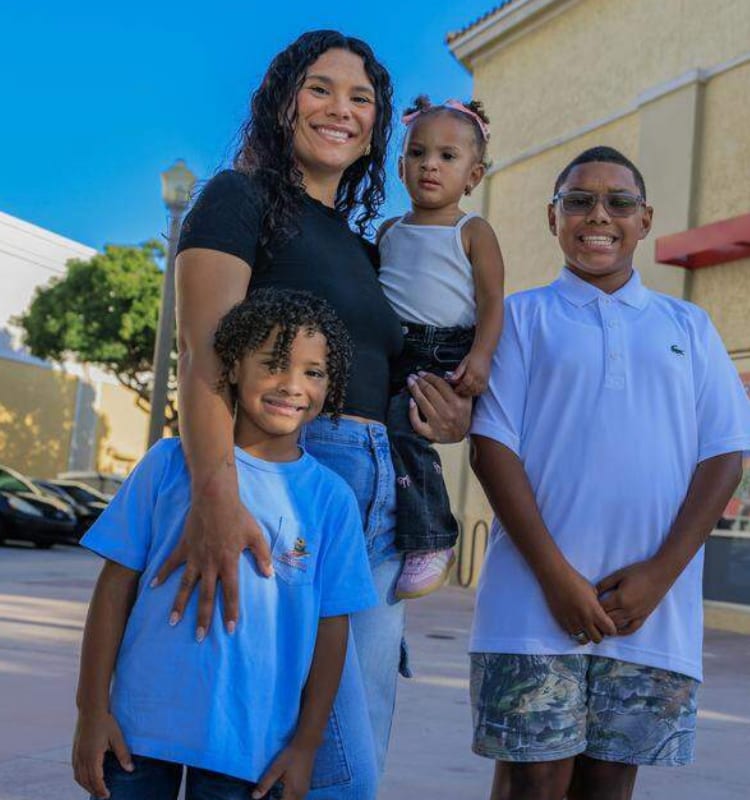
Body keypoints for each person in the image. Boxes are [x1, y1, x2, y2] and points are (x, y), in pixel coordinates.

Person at [151, 30, 471, 798]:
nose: (341, 109)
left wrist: (448, 419)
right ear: (282, 101)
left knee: (354, 739)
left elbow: (395, 374)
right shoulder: (239, 198)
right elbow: (203, 357)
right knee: (290, 746)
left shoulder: (366, 251)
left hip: (382, 501)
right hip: (282, 483)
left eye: (361, 98)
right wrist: (217, 497)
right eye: (320, 88)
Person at [468, 146, 750, 800]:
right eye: (579, 201)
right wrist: (556, 578)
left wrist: (660, 575)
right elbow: (491, 448)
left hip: (650, 611)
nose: (599, 215)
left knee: (608, 785)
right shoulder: (520, 318)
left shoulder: (689, 326)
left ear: (645, 219)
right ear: (553, 216)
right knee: (531, 781)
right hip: (532, 603)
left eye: (619, 202)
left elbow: (724, 455)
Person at [72, 289, 377, 800]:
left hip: (250, 751)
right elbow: (112, 590)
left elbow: (332, 629)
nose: (292, 385)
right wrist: (91, 710)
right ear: (234, 366)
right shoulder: (167, 464)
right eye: (273, 363)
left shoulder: (331, 499)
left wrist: (306, 745)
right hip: (135, 734)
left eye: (314, 372)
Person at [377, 95, 504, 599]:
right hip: (391, 347)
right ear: (400, 167)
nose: (430, 164)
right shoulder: (389, 230)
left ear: (474, 176)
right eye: (418, 153)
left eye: (447, 156)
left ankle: (433, 539)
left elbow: (492, 301)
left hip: (442, 349)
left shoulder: (472, 231)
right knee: (376, 433)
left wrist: (481, 356)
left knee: (404, 428)